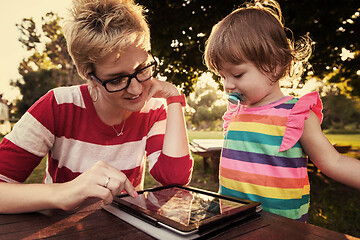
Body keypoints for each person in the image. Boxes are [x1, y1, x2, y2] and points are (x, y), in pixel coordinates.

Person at [0, 0, 193, 214]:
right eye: (117, 80)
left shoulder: (154, 109)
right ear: (89, 77)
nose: (136, 89)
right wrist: (63, 192)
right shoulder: (57, 105)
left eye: (142, 69)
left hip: (123, 229)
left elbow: (175, 179)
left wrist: (174, 98)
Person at [204, 0, 360, 222]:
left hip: (279, 227)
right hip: (232, 221)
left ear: (275, 64)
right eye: (222, 76)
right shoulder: (235, 112)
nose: (227, 85)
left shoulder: (295, 114)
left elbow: (333, 162)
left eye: (237, 75)